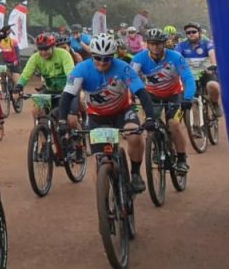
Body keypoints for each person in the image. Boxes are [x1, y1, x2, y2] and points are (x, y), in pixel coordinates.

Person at [58, 34, 159, 193]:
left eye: (107, 58)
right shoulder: (81, 69)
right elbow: (67, 96)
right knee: (100, 161)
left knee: (135, 135)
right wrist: (62, 121)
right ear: (92, 56)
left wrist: (151, 117)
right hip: (97, 117)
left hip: (123, 112)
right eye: (98, 58)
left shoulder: (124, 68)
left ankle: (135, 173)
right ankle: (106, 202)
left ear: (113, 56)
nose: (102, 63)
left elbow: (141, 92)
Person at [130, 28, 195, 174]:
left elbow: (188, 78)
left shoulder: (176, 57)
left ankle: (181, 159)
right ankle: (157, 145)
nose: (155, 47)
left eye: (158, 44)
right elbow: (131, 79)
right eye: (152, 44)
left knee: (174, 124)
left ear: (164, 44)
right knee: (151, 123)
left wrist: (188, 97)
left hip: (175, 94)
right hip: (151, 96)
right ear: (147, 44)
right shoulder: (139, 59)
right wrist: (131, 97)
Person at [14, 33, 76, 126]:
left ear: (53, 46)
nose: (43, 52)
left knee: (71, 121)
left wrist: (68, 90)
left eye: (46, 49)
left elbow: (70, 74)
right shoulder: (35, 58)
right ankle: (42, 136)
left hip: (65, 91)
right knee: (36, 111)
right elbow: (25, 74)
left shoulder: (64, 54)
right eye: (40, 49)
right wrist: (19, 86)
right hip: (49, 90)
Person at [175, 21, 222, 118]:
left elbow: (212, 53)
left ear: (199, 32)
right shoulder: (182, 45)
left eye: (193, 32)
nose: (191, 34)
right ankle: (194, 125)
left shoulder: (206, 43)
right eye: (188, 33)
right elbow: (176, 56)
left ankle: (214, 103)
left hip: (206, 72)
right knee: (190, 98)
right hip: (189, 74)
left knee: (213, 85)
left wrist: (213, 64)